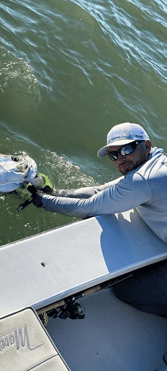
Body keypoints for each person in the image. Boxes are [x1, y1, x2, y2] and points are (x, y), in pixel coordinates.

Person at [33, 122, 167, 317]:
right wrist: (55, 193)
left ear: (146, 146)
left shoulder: (143, 180)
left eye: (126, 149)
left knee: (126, 291)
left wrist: (41, 201)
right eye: (114, 155)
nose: (121, 158)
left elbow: (88, 208)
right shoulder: (156, 165)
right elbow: (99, 191)